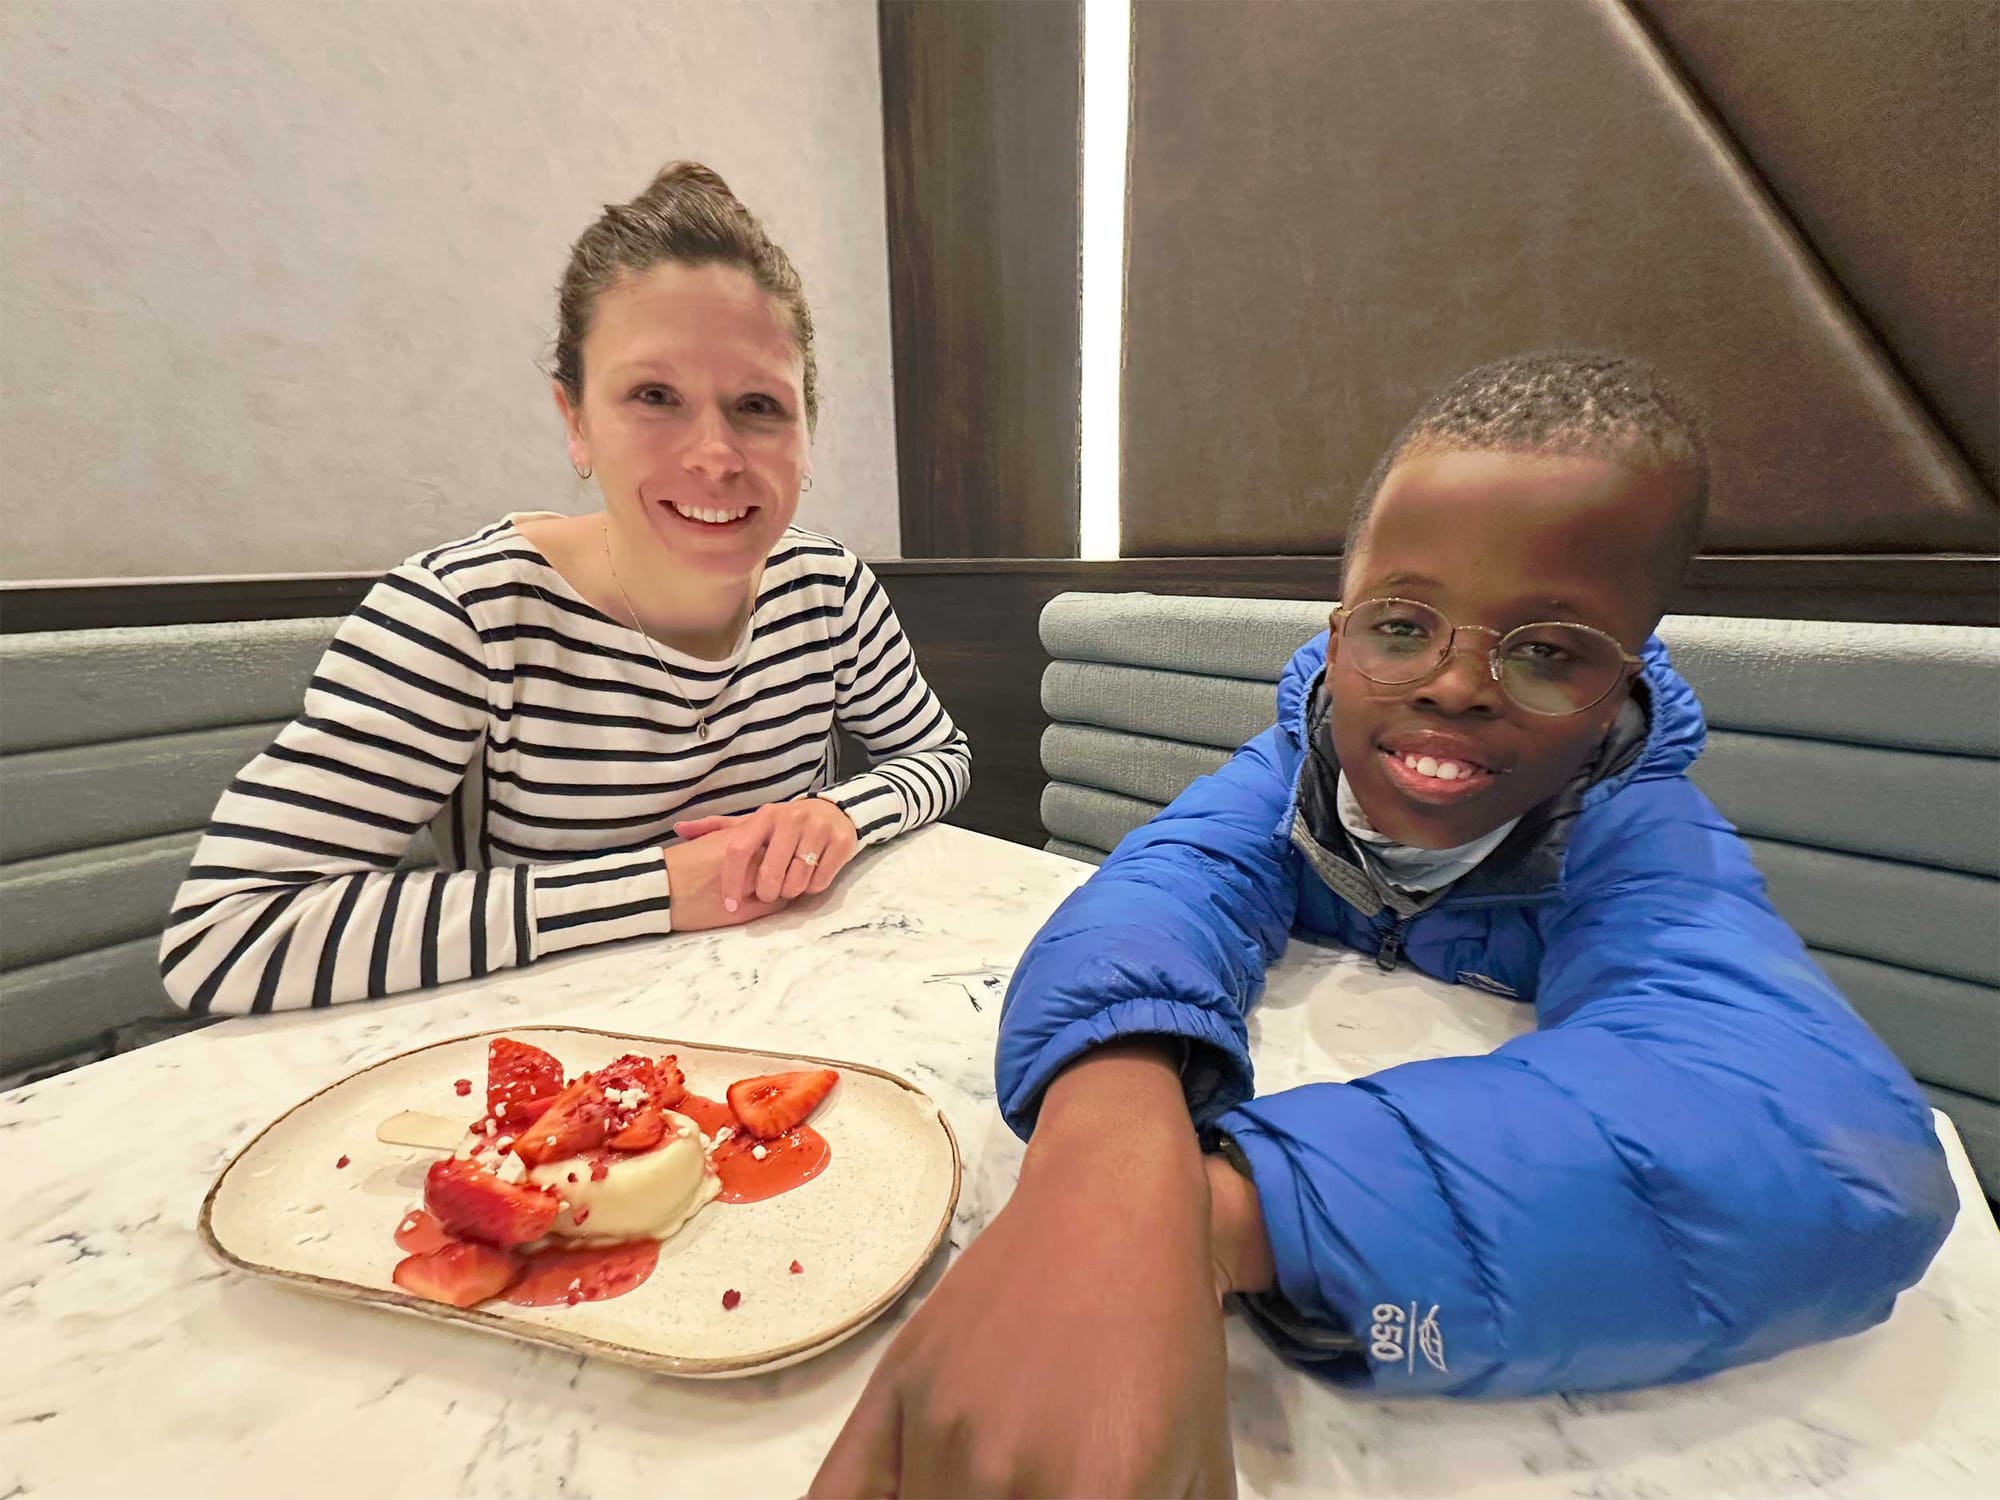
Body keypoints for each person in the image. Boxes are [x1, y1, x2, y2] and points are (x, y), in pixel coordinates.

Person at [812, 352, 1956, 1496]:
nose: (1454, 684)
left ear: (1620, 682)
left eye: (1548, 651)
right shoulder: (1295, 768)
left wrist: (1208, 1218)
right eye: (1401, 625)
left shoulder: (1633, 828)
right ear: (1338, 628)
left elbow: (1833, 1156)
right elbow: (1160, 891)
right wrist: (1103, 1153)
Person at [160, 163, 969, 1015]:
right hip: (547, 1057)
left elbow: (938, 755)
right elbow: (225, 935)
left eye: (758, 406)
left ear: (807, 431)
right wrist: (666, 887)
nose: (715, 455)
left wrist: (839, 814)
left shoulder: (828, 588)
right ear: (576, 420)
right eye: (655, 396)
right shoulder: (463, 616)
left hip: (797, 1016)